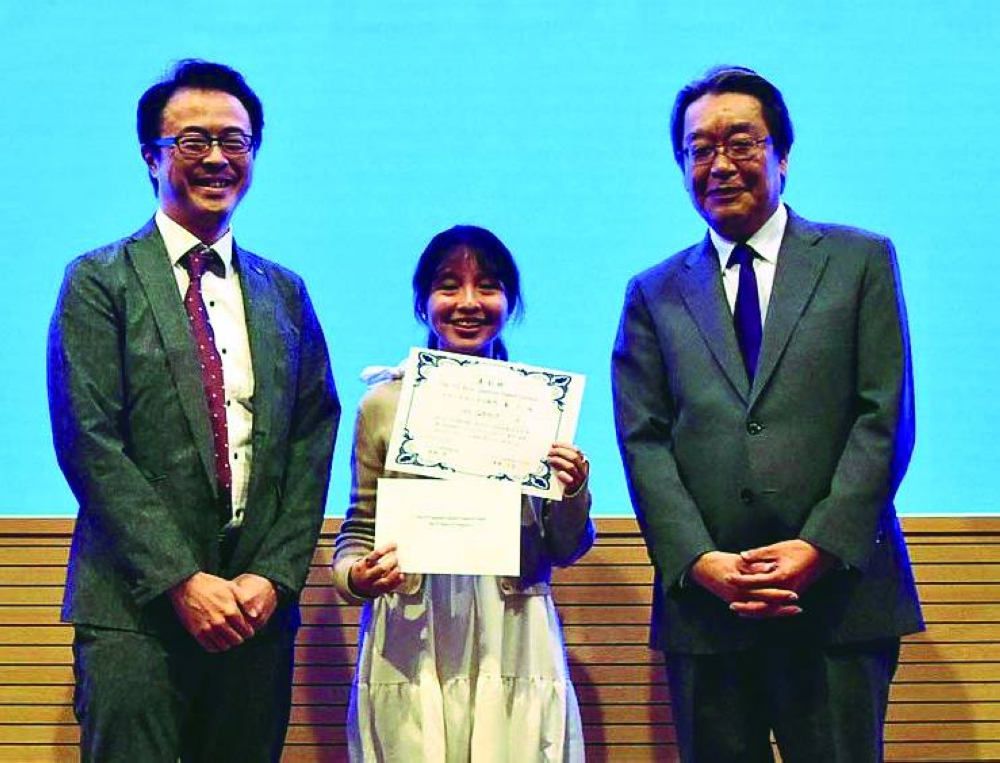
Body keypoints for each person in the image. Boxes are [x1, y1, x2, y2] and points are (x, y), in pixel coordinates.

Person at [611, 65, 923, 761]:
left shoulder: (859, 260)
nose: (720, 163)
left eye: (742, 143)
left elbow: (885, 418)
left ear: (783, 155)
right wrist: (699, 559)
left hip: (839, 600)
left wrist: (817, 548)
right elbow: (643, 441)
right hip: (708, 610)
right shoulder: (653, 293)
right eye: (699, 149)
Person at [47, 59, 340, 762]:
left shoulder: (285, 293)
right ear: (151, 157)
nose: (216, 158)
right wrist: (183, 580)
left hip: (253, 614)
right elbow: (90, 442)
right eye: (192, 141)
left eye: (235, 142)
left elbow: (311, 439)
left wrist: (272, 577)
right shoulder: (98, 281)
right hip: (134, 611)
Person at [333, 225, 594, 762]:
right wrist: (358, 577)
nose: (469, 303)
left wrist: (574, 492)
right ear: (423, 302)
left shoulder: (538, 406)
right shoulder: (383, 405)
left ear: (510, 301)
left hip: (514, 629)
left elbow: (565, 548)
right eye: (448, 286)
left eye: (489, 286)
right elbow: (357, 530)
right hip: (413, 631)